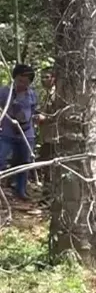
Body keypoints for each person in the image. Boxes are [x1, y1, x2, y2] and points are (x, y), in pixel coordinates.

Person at [0, 64, 41, 201]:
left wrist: (38, 118)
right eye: (20, 80)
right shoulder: (5, 92)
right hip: (7, 133)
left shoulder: (32, 95)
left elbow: (35, 111)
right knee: (1, 159)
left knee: (24, 162)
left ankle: (21, 190)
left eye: (26, 81)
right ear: (14, 78)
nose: (22, 84)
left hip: (26, 134)